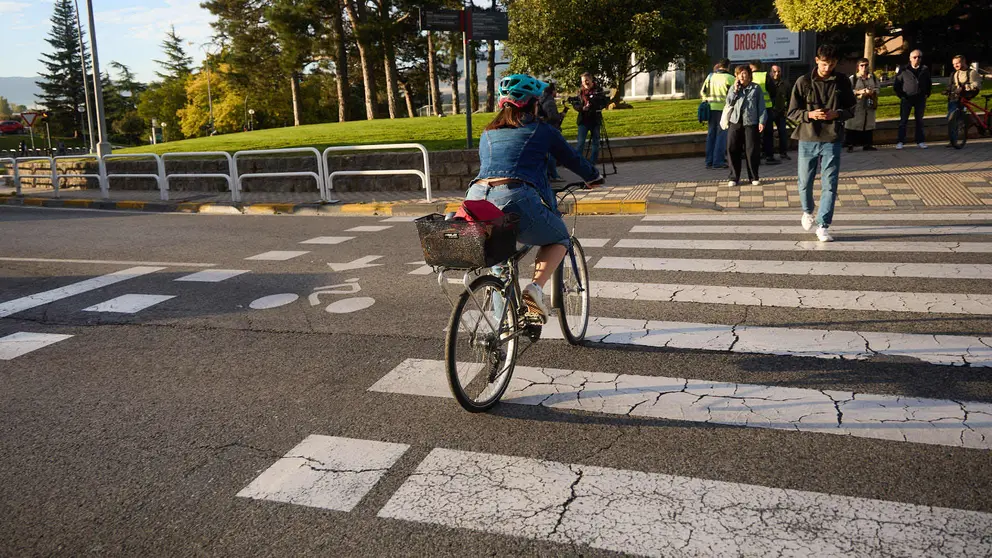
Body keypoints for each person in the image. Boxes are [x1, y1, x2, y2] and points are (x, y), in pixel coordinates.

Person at [465, 74, 603, 323]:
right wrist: (593, 177)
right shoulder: (542, 131)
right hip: (514, 196)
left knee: (500, 260)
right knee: (559, 237)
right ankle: (535, 289)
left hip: (476, 198)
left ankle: (503, 328)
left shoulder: (487, 133)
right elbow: (572, 159)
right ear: (533, 104)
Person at [787, 44, 857, 242]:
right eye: (825, 64)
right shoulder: (803, 81)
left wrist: (838, 114)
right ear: (817, 60)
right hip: (807, 137)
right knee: (804, 182)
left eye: (832, 64)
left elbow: (852, 108)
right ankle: (808, 210)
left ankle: (823, 225)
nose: (828, 68)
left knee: (830, 184)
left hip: (832, 138)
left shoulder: (842, 81)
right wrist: (809, 114)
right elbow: (791, 111)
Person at [722, 65, 767, 187]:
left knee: (751, 150)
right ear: (736, 76)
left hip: (750, 122)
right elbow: (729, 102)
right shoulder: (733, 88)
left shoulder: (756, 88)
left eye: (744, 73)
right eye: (739, 73)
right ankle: (733, 177)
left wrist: (762, 121)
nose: (742, 76)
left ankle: (753, 177)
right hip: (735, 122)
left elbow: (761, 106)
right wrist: (735, 91)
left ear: (749, 75)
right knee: (732, 148)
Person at [893, 49, 932, 149]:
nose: (917, 59)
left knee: (919, 120)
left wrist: (927, 93)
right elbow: (897, 84)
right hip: (907, 98)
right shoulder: (904, 70)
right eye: (914, 57)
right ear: (910, 59)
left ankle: (920, 141)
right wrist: (902, 95)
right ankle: (900, 141)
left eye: (919, 57)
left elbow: (928, 83)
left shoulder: (924, 69)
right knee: (903, 121)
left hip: (920, 98)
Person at [700, 59, 734, 170]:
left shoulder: (710, 77)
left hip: (710, 109)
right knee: (721, 136)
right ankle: (718, 161)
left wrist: (707, 101)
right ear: (728, 67)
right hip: (723, 110)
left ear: (719, 66)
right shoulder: (730, 78)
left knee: (711, 135)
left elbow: (703, 92)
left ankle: (709, 161)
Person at [946, 54, 983, 147]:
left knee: (960, 112)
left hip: (969, 94)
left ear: (963, 62)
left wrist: (965, 87)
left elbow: (976, 85)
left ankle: (971, 122)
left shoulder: (972, 73)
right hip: (959, 97)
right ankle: (954, 139)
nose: (955, 66)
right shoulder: (956, 73)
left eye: (957, 63)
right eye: (953, 64)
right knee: (953, 115)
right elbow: (955, 86)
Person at [845, 58, 880, 152]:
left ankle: (867, 144)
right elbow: (848, 91)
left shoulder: (873, 78)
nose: (864, 67)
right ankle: (850, 144)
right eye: (862, 65)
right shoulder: (853, 79)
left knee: (869, 124)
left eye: (866, 65)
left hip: (869, 105)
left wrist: (872, 91)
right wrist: (860, 91)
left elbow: (878, 88)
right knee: (853, 124)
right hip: (857, 105)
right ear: (858, 67)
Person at [538, 80, 566, 181]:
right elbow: (553, 117)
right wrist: (561, 115)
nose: (556, 93)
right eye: (555, 90)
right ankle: (554, 175)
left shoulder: (541, 99)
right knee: (552, 154)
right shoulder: (549, 101)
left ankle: (548, 174)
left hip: (542, 129)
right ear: (552, 91)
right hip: (551, 129)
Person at [574, 73, 605, 165]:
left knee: (596, 143)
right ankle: (578, 163)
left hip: (595, 120)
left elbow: (603, 102)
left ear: (591, 80)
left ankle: (592, 164)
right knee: (580, 143)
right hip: (583, 120)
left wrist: (594, 105)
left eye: (587, 80)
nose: (585, 83)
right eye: (583, 81)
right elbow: (575, 104)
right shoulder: (580, 91)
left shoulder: (598, 90)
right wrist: (582, 108)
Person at [765, 64, 791, 162]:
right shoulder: (767, 82)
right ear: (770, 72)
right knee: (768, 133)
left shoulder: (786, 84)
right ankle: (767, 153)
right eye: (774, 71)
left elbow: (789, 98)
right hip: (769, 111)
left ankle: (783, 153)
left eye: (778, 71)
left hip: (780, 112)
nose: (777, 73)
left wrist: (787, 110)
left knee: (783, 133)